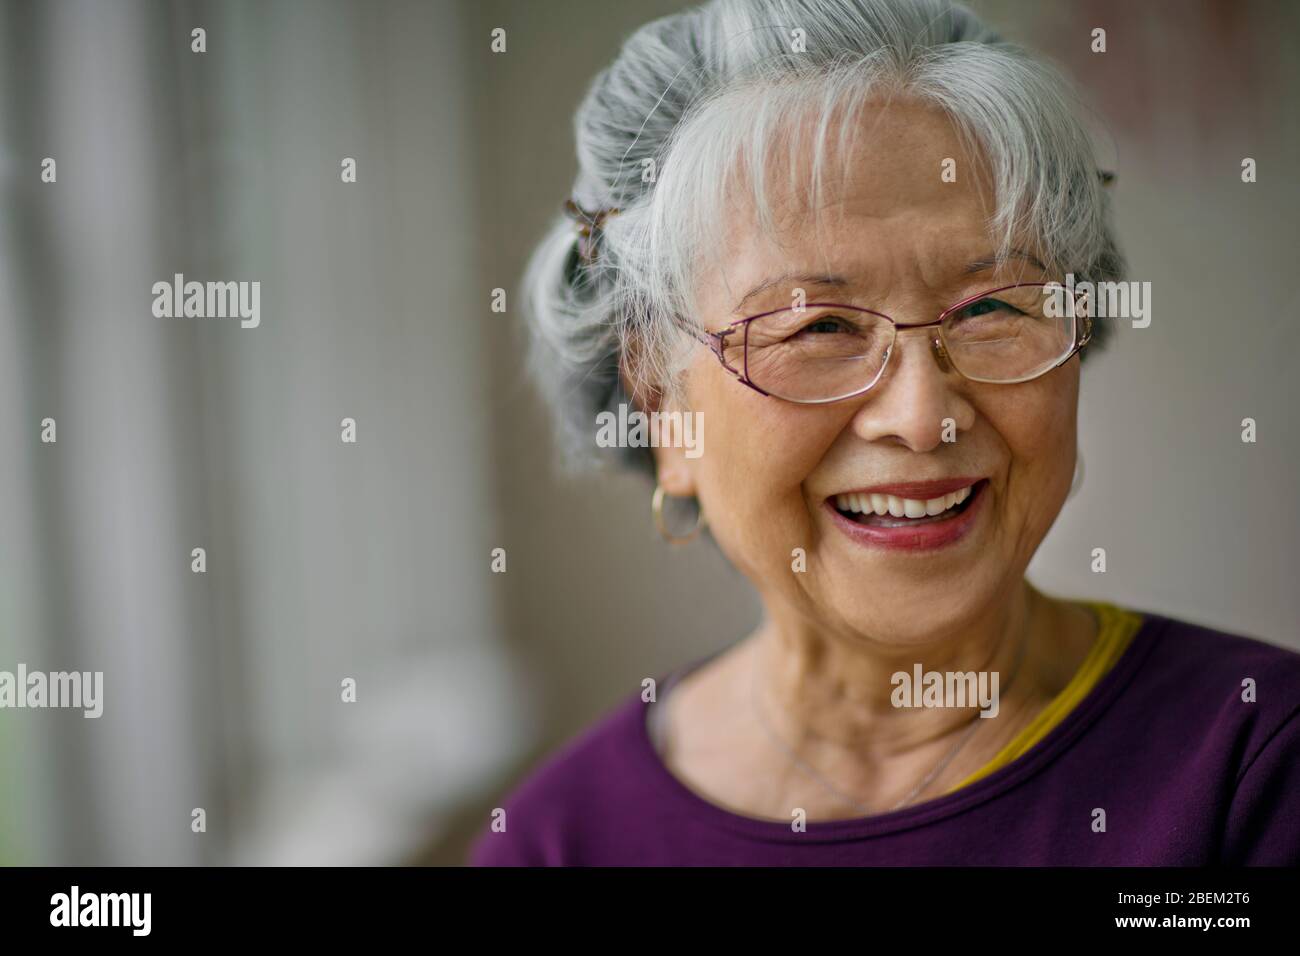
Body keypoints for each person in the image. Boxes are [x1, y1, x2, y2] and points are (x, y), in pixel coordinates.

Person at [470, 0, 1300, 865]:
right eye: (815, 328)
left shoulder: (1255, 771)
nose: (922, 416)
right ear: (661, 410)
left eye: (989, 308)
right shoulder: (560, 841)